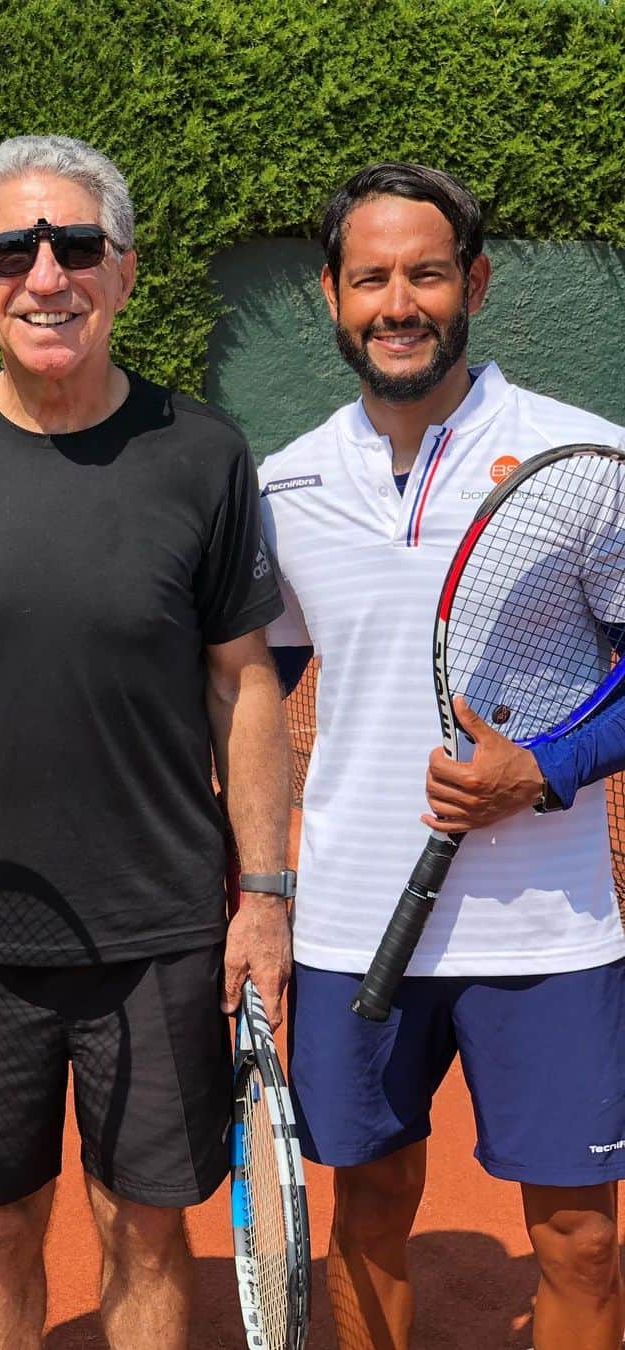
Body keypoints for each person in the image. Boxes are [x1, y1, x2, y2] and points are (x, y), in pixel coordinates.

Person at [0, 134, 289, 1350]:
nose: (47, 274)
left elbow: (242, 683)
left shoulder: (203, 453)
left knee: (146, 1228)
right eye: (14, 249)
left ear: (125, 271)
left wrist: (264, 894)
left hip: (156, 932)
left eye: (77, 245)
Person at [260, 161, 625, 1350]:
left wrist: (546, 767)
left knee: (581, 1238)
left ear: (471, 283)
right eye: (371, 278)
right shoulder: (286, 486)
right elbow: (252, 698)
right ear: (332, 295)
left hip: (549, 930)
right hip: (352, 925)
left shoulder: (583, 459)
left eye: (425, 273)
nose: (398, 302)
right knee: (368, 1211)